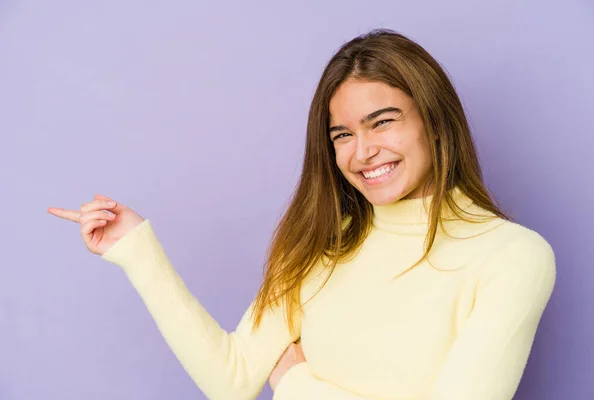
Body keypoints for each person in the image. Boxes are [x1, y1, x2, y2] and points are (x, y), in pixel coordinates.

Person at [47, 29, 556, 399]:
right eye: (343, 135)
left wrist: (296, 382)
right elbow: (231, 378)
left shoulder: (511, 257)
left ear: (436, 124)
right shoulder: (323, 245)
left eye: (383, 123)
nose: (362, 152)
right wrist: (140, 254)